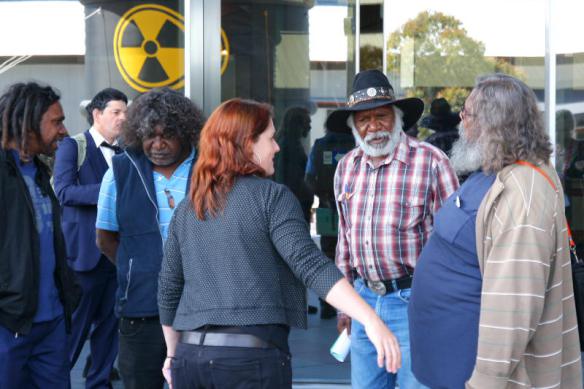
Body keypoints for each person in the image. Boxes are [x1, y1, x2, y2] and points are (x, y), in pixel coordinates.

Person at [158, 98, 401, 389]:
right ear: (247, 143)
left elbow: (168, 289)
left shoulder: (188, 207)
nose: (277, 147)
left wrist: (172, 355)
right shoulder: (271, 197)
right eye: (270, 139)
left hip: (189, 358)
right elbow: (309, 265)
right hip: (248, 362)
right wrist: (370, 319)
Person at [409, 74, 583, 388]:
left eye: (468, 113)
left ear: (493, 123)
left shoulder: (524, 193)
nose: (461, 121)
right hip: (444, 366)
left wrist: (483, 383)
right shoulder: (494, 169)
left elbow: (513, 309)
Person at [329, 69, 459, 388]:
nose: (373, 126)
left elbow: (456, 244)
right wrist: (343, 306)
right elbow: (345, 241)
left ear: (398, 117)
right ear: (354, 127)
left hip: (416, 303)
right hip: (363, 301)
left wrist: (448, 307)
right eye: (363, 120)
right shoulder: (347, 167)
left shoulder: (431, 161)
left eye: (381, 116)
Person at [95, 87, 204, 389]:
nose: (157, 144)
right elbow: (105, 239)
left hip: (200, 309)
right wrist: (136, 267)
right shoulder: (120, 171)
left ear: (185, 132)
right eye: (149, 136)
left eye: (166, 135)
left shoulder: (207, 171)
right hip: (141, 309)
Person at [0, 82, 81, 388]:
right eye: (56, 122)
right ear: (28, 122)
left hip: (52, 324)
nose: (64, 130)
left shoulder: (40, 172)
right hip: (9, 326)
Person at [53, 88, 127, 389]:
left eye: (125, 112)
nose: (123, 118)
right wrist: (107, 191)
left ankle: (99, 384)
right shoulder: (73, 146)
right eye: (116, 112)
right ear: (97, 114)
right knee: (74, 333)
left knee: (109, 334)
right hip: (83, 257)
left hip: (116, 256)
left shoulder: (125, 153)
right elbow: (64, 192)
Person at [305, 114, 355, 319]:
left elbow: (309, 176)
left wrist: (321, 197)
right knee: (351, 255)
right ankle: (350, 304)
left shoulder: (319, 145)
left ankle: (327, 303)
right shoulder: (355, 144)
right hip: (354, 209)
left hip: (327, 207)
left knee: (327, 255)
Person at [275, 106, 314, 222]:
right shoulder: (287, 145)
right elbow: (283, 178)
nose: (309, 127)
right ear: (297, 125)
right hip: (292, 206)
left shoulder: (291, 144)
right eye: (307, 123)